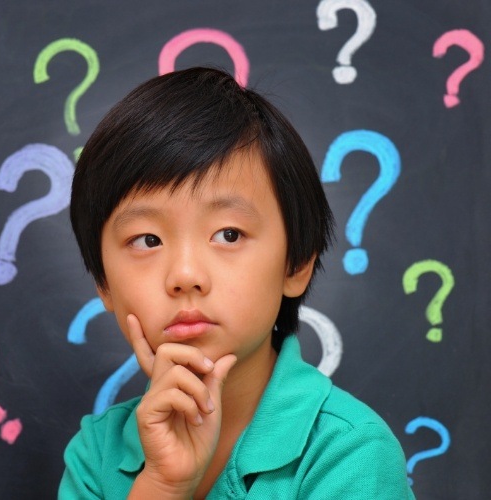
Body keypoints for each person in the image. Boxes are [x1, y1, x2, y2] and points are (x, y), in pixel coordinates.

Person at [59, 67, 414, 499]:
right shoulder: (95, 454)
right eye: (147, 240)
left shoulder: (351, 453)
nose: (185, 275)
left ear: (295, 264)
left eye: (228, 234)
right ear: (104, 284)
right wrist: (163, 484)